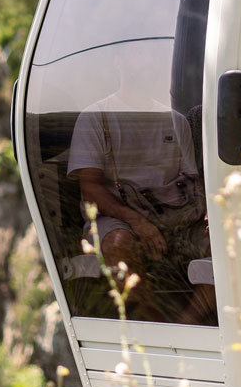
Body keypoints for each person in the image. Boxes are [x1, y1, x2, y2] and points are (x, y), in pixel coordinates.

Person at [63, 45, 215, 324]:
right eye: (137, 52)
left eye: (150, 54)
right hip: (118, 216)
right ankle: (150, 324)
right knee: (119, 244)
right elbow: (91, 189)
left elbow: (193, 181)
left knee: (230, 240)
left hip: (173, 214)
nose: (146, 59)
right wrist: (138, 223)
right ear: (117, 61)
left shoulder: (175, 121)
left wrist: (209, 214)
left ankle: (187, 324)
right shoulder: (96, 116)